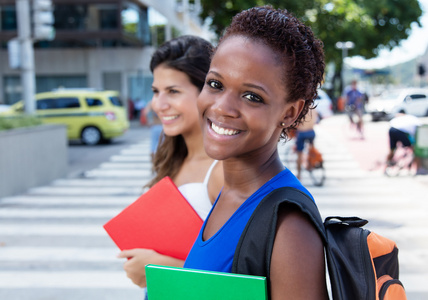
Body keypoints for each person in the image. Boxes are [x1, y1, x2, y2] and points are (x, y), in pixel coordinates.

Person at [183, 6, 328, 299]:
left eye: (252, 97)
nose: (222, 107)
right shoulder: (230, 191)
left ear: (289, 112)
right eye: (215, 84)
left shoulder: (289, 228)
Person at [117, 35, 223, 290]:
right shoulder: (172, 158)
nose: (159, 104)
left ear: (206, 93)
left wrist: (158, 268)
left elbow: (235, 275)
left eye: (173, 91)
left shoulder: (222, 170)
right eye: (156, 92)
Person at [295, 109, 318, 179]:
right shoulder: (313, 108)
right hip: (311, 132)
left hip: (302, 132)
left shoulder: (301, 107)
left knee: (299, 154)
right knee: (311, 150)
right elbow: (316, 120)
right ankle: (310, 165)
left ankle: (299, 174)